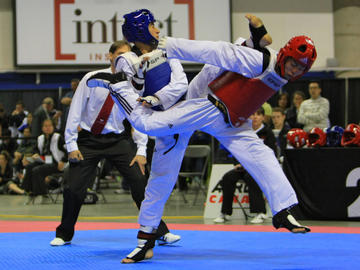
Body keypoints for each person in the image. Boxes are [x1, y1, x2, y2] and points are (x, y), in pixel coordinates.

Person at [89, 14, 315, 262]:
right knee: (160, 174)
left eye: (301, 68)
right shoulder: (127, 60)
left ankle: (283, 210)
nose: (296, 71)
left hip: (206, 107)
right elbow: (139, 92)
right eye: (152, 25)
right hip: (182, 115)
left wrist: (168, 53)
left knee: (262, 156)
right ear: (139, 30)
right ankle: (145, 241)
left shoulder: (166, 51)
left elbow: (182, 80)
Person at [50, 40, 180, 247]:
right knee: (74, 188)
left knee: (140, 182)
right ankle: (64, 234)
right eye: (119, 54)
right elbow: (74, 111)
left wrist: (141, 150)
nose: (124, 59)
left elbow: (140, 119)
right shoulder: (91, 79)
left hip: (118, 140)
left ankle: (158, 231)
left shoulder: (135, 85)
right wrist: (71, 145)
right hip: (88, 140)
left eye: (129, 55)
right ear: (109, 56)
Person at [214, 107, 276, 224]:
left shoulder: (268, 133)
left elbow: (271, 152)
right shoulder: (244, 131)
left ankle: (260, 212)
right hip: (243, 166)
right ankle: (225, 213)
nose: (255, 117)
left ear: (263, 117)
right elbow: (236, 150)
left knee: (251, 178)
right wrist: (237, 163)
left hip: (260, 168)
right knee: (227, 178)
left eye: (258, 114)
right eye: (252, 114)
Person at [22, 119, 67, 204]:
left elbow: (68, 151)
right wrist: (32, 156)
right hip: (44, 162)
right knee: (29, 166)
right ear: (42, 128)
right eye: (45, 126)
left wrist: (63, 161)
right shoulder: (40, 138)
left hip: (56, 164)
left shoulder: (58, 138)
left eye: (50, 126)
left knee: (37, 170)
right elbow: (36, 151)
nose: (48, 128)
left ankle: (43, 194)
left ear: (53, 127)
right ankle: (29, 192)